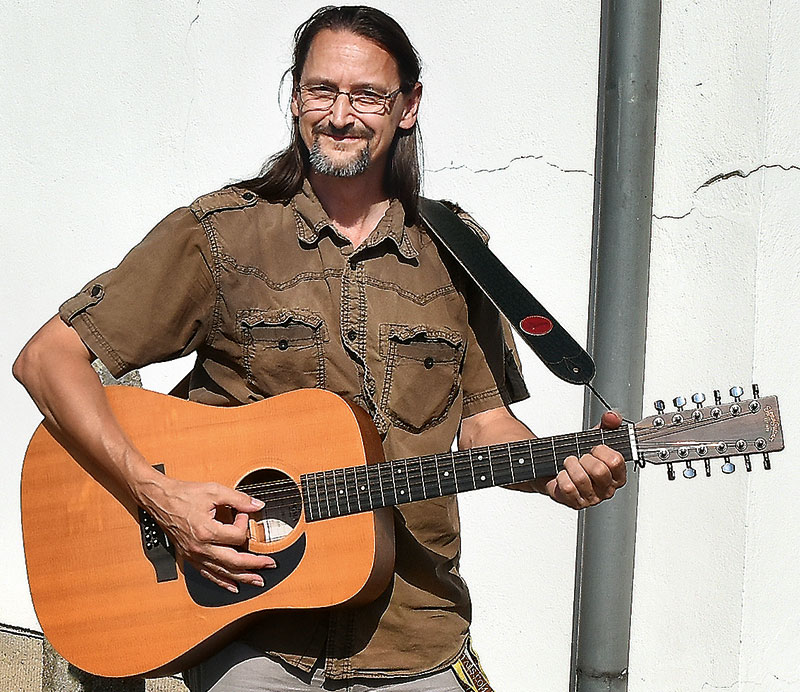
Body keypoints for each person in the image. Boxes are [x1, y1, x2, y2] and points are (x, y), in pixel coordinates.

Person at [14, 6, 626, 691]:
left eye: (367, 95)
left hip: (412, 631)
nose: (340, 115)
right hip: (249, 630)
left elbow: (485, 425)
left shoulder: (459, 256)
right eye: (320, 90)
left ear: (408, 107)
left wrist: (553, 472)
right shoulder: (222, 235)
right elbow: (47, 359)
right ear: (295, 95)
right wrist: (158, 495)